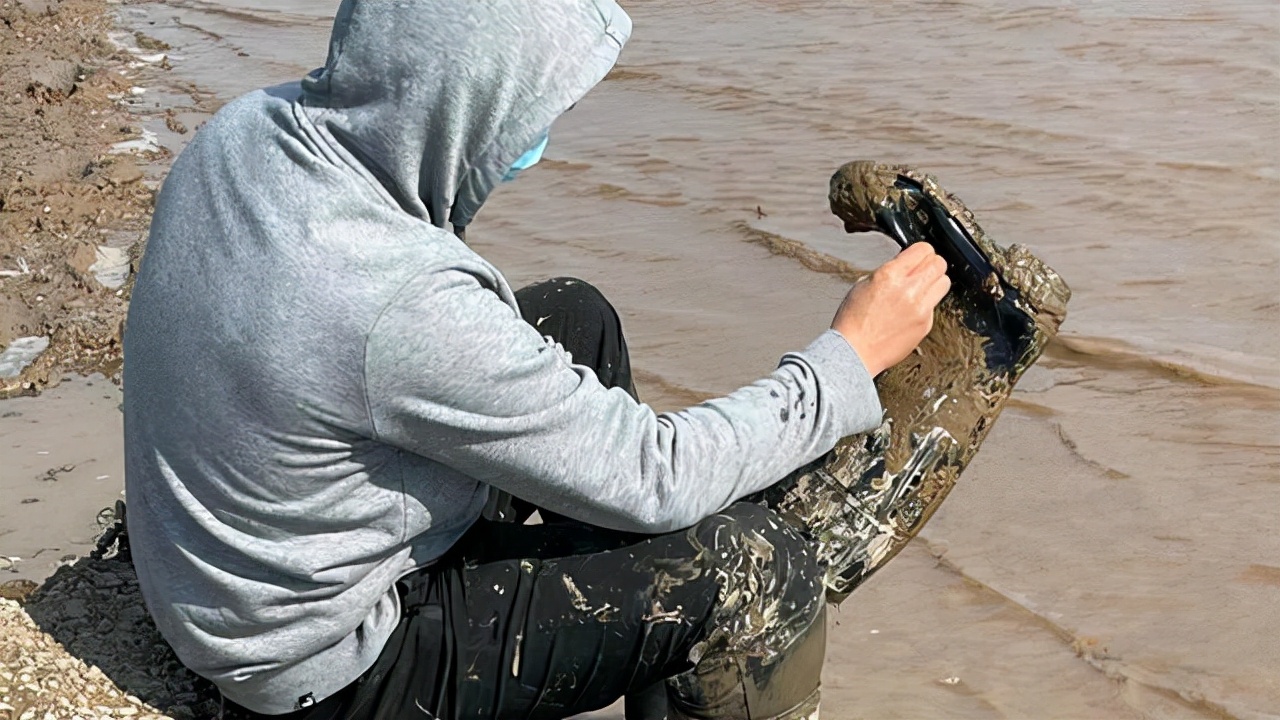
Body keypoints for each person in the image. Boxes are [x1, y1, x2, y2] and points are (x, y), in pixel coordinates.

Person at [122, 1, 950, 718]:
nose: (536, 141)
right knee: (759, 567)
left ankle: (632, 634)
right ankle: (677, 622)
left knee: (574, 319)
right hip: (321, 666)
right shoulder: (396, 299)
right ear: (466, 98)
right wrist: (845, 359)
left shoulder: (247, 133)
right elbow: (658, 472)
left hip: (227, 578)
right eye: (527, 112)